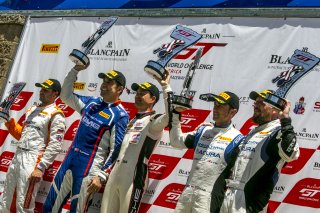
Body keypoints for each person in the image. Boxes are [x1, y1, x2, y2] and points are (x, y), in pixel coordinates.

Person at [43, 65, 129, 212]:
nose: (104, 85)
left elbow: (117, 149)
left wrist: (101, 176)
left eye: (109, 83)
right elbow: (65, 95)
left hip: (88, 169)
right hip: (69, 161)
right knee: (49, 207)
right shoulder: (92, 102)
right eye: (104, 81)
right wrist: (75, 70)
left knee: (77, 210)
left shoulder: (120, 115)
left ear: (119, 89)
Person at [99, 69, 171, 213]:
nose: (137, 96)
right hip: (115, 174)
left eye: (142, 93)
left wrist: (165, 87)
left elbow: (171, 116)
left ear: (153, 99)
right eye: (137, 93)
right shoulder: (131, 120)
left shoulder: (154, 120)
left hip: (134, 177)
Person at [220, 89, 299, 213]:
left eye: (261, 103)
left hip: (250, 203)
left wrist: (285, 120)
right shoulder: (253, 132)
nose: (255, 105)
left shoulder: (278, 131)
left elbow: (291, 154)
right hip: (230, 197)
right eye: (255, 102)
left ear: (275, 110)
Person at [169, 91, 244, 213]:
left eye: (221, 105)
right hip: (188, 193)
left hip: (208, 198)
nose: (215, 108)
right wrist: (176, 114)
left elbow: (238, 177)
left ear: (232, 112)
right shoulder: (203, 130)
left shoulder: (238, 140)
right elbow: (176, 141)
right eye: (215, 104)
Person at [1, 79, 65, 213]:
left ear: (55, 93)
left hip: (33, 159)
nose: (41, 92)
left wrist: (40, 167)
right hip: (18, 155)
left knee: (24, 202)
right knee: (7, 197)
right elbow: (22, 135)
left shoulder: (56, 114)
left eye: (46, 90)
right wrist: (8, 121)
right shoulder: (32, 109)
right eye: (41, 89)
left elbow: (55, 145)